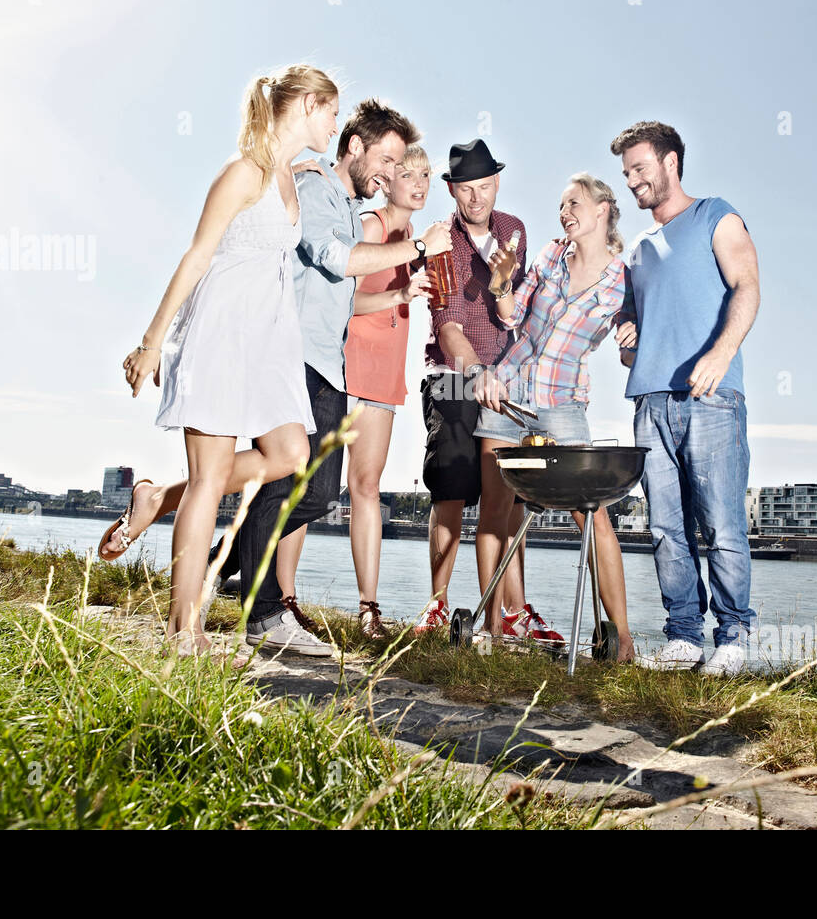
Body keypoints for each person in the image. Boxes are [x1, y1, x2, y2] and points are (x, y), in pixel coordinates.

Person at [99, 65, 337, 655]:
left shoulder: (287, 176)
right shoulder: (243, 175)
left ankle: (155, 498)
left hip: (266, 347)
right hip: (218, 335)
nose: (336, 122)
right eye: (332, 110)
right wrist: (151, 341)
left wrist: (298, 167)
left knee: (290, 453)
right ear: (308, 104)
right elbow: (197, 256)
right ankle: (184, 630)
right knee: (210, 480)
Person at [214, 98, 446, 655]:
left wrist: (398, 290)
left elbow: (348, 292)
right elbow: (330, 256)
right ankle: (263, 611)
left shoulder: (343, 204)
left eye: (399, 165)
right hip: (293, 355)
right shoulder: (319, 189)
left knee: (314, 492)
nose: (389, 174)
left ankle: (220, 562)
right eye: (385, 161)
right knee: (301, 484)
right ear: (355, 147)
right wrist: (416, 247)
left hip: (324, 362)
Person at [610, 121, 761, 674]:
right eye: (626, 173)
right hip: (651, 401)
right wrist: (628, 335)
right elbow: (633, 330)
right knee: (666, 528)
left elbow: (748, 285)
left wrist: (720, 355)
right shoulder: (637, 252)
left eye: (639, 168)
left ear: (671, 162)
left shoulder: (716, 215)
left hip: (712, 398)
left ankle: (735, 638)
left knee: (721, 524)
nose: (632, 181)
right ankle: (684, 637)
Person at [475, 173, 637, 661]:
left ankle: (622, 640)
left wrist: (632, 342)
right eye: (561, 205)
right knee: (496, 513)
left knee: (592, 518)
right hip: (509, 395)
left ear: (603, 208)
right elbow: (510, 316)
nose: (564, 212)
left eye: (573, 203)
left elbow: (630, 347)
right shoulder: (548, 255)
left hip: (563, 405)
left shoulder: (623, 280)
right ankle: (492, 632)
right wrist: (500, 279)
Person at [413, 139, 562, 645]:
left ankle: (513, 612)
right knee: (453, 489)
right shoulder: (439, 241)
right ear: (451, 189)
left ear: (496, 182)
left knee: (511, 496)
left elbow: (515, 308)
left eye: (484, 186)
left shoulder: (514, 231)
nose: (475, 198)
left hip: (510, 379)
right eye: (465, 189)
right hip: (454, 376)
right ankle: (437, 603)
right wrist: (476, 372)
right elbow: (447, 321)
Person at [342, 144, 434, 636]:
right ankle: (281, 596)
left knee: (366, 487)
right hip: (348, 366)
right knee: (304, 484)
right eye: (409, 174)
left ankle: (368, 608)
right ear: (389, 179)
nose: (419, 184)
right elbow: (344, 298)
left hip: (385, 372)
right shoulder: (373, 226)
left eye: (426, 175)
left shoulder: (414, 235)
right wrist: (399, 293)